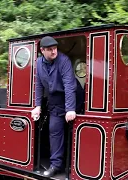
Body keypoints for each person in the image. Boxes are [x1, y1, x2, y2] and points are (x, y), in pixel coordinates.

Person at [31, 36, 83, 177]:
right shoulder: (39, 63)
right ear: (42, 51)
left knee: (73, 129)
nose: (54, 51)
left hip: (73, 97)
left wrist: (70, 109)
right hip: (55, 100)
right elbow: (39, 85)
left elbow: (69, 85)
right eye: (50, 49)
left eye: (55, 48)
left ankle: (74, 163)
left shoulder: (63, 60)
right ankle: (56, 165)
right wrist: (37, 105)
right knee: (54, 130)